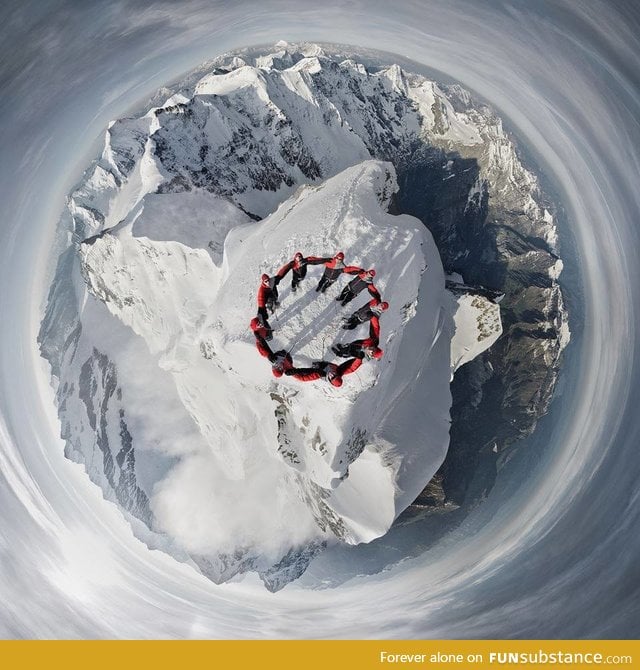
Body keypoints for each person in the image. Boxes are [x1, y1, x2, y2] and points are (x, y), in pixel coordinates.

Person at [290, 358, 362, 387]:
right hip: (327, 364)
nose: (332, 374)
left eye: (332, 377)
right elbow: (352, 368)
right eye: (335, 375)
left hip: (318, 368)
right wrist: (360, 358)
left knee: (314, 368)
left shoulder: (322, 374)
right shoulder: (340, 371)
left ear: (330, 380)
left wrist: (293, 373)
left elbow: (304, 378)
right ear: (338, 375)